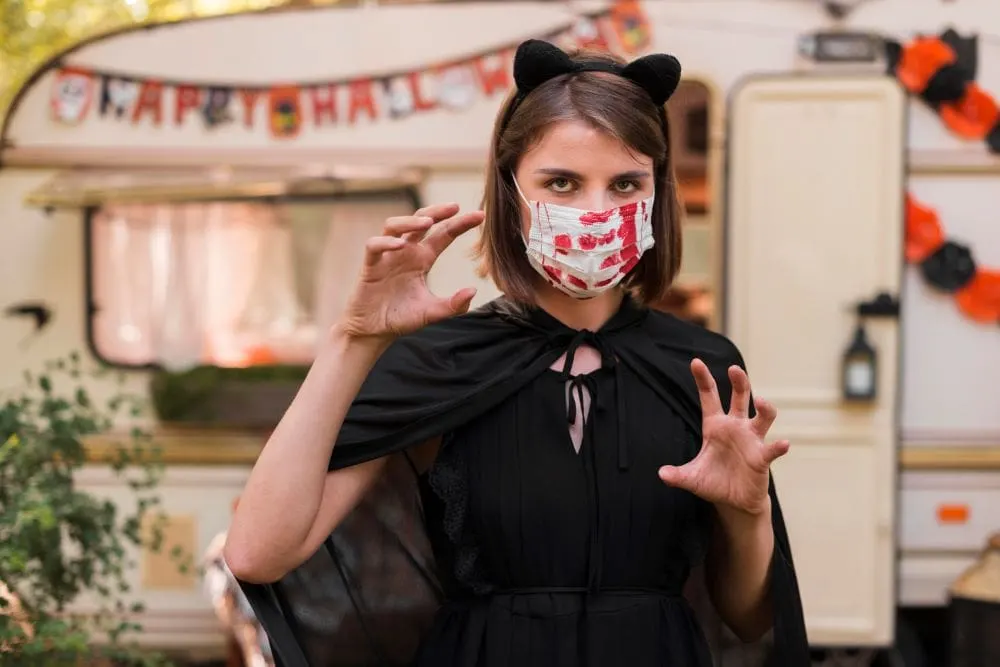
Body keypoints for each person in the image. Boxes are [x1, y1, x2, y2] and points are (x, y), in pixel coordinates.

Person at [223, 39, 809, 667]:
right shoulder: (442, 360)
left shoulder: (699, 369)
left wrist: (747, 514)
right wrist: (353, 339)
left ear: (656, 195)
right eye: (562, 182)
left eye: (625, 184)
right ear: (511, 193)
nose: (596, 211)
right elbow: (258, 553)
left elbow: (749, 619)